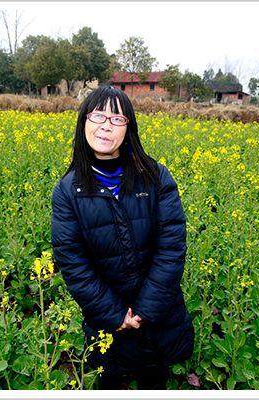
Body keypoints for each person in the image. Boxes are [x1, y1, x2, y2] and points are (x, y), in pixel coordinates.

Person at [51, 85, 194, 390]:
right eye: (98, 115)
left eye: (117, 119)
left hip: (158, 317)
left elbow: (171, 248)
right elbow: (72, 261)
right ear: (84, 122)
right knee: (110, 381)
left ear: (129, 128)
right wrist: (115, 314)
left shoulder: (156, 177)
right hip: (106, 323)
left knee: (154, 379)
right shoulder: (68, 190)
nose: (106, 125)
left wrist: (145, 310)